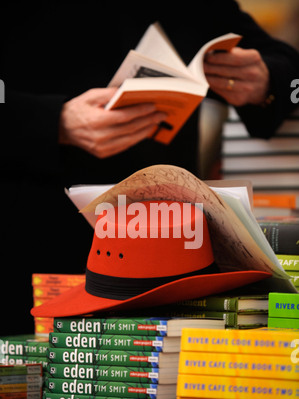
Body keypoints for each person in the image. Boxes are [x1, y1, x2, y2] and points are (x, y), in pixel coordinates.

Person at [1, 1, 299, 335]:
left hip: (168, 252)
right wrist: (50, 121)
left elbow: (290, 74)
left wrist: (267, 80)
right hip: (28, 227)